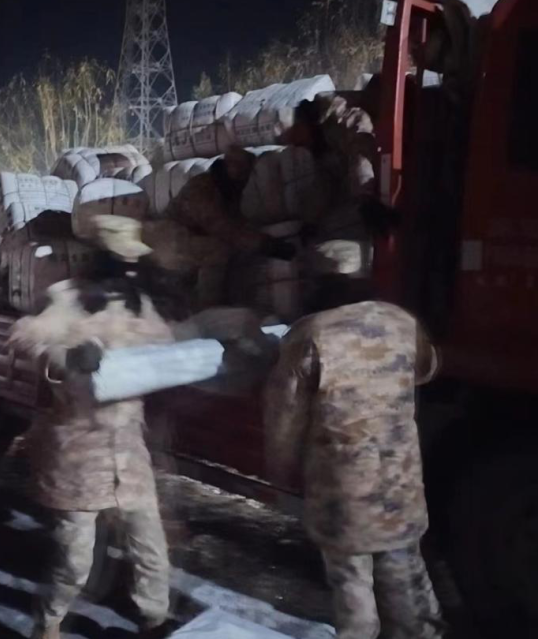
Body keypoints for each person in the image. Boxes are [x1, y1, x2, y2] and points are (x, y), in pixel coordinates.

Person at [10, 215, 176, 639]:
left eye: (136, 264)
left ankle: (154, 619)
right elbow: (25, 336)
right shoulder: (68, 299)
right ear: (105, 260)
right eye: (124, 263)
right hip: (79, 452)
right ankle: (48, 623)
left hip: (128, 449)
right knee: (74, 559)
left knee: (150, 545)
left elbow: (166, 344)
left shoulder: (139, 303)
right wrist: (68, 357)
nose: (132, 271)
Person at [264, 301, 445, 639]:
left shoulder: (308, 334)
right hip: (399, 479)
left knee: (351, 579)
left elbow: (286, 415)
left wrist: (280, 464)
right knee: (404, 570)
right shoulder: (400, 319)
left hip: (341, 488)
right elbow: (427, 369)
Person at [165, 145, 296, 261]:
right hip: (170, 238)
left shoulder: (228, 190)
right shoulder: (202, 188)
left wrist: (267, 238)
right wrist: (267, 246)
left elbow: (237, 223)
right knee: (219, 250)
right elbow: (224, 229)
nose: (245, 177)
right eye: (243, 171)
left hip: (189, 236)